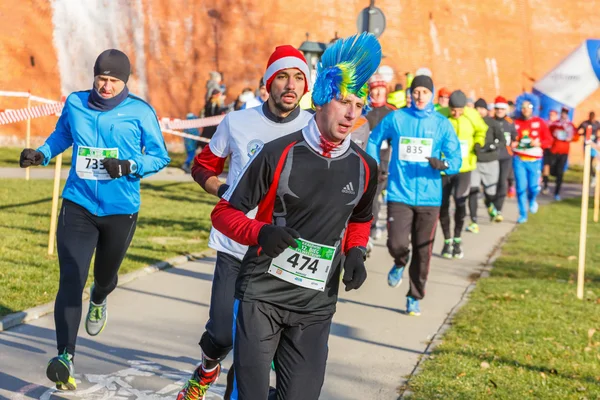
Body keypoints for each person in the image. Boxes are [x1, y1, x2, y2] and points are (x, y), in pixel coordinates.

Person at [209, 33, 380, 400]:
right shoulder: (278, 153)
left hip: (314, 306)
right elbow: (223, 214)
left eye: (359, 103)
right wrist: (260, 233)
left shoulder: (365, 167)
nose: (352, 113)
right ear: (320, 101)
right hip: (261, 297)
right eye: (342, 101)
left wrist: (356, 252)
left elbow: (361, 218)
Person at [18, 49, 170, 391]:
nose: (106, 85)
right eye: (101, 78)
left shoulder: (141, 112)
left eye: (114, 80)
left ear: (125, 81)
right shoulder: (75, 103)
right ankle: (64, 357)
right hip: (79, 204)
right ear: (94, 75)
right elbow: (63, 135)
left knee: (104, 277)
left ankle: (100, 298)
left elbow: (159, 155)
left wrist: (130, 166)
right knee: (71, 276)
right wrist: (41, 154)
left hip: (120, 209)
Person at [177, 45, 313, 400]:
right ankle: (207, 369)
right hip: (236, 245)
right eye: (282, 76)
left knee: (255, 349)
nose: (290, 85)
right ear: (268, 83)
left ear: (306, 86)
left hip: (280, 253)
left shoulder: (313, 127)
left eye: (298, 77)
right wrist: (225, 192)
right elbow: (203, 166)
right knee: (223, 333)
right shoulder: (237, 122)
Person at [368, 75, 462, 316]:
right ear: (411, 94)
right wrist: (375, 164)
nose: (420, 96)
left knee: (424, 252)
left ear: (431, 95)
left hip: (430, 198)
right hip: (400, 192)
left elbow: (456, 159)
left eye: (425, 92)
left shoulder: (441, 124)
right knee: (396, 243)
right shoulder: (397, 118)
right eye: (416, 91)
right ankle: (400, 261)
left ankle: (414, 296)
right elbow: (373, 139)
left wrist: (443, 165)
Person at [437, 90, 486, 258]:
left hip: (464, 168)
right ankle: (447, 240)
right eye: (453, 110)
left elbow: (482, 130)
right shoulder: (440, 115)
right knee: (443, 205)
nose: (456, 114)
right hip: (444, 167)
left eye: (459, 110)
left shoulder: (472, 115)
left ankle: (457, 239)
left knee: (460, 202)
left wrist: (479, 143)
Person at [365, 74, 396, 240]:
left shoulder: (392, 112)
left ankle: (381, 226)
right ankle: (370, 226)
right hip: (368, 160)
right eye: (374, 90)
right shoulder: (363, 110)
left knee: (383, 196)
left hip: (387, 161)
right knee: (371, 196)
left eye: (380, 90)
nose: (377, 93)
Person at [512, 93, 552, 224]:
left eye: (528, 107)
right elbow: (508, 139)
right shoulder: (515, 122)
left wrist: (538, 143)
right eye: (523, 107)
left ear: (533, 108)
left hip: (535, 161)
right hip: (519, 160)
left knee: (533, 187)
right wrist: (512, 143)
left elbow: (549, 140)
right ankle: (522, 214)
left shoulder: (539, 123)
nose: (525, 109)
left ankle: (532, 199)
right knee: (520, 188)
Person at [466, 98, 505, 233]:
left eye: (481, 108)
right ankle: (473, 221)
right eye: (476, 108)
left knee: (490, 193)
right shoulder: (470, 122)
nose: (479, 111)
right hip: (475, 162)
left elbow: (502, 140)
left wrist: (493, 146)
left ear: (486, 110)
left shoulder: (492, 123)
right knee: (473, 190)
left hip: (490, 161)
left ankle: (490, 205)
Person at [493, 96, 518, 220]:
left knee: (502, 182)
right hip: (492, 156)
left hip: (506, 156)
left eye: (501, 109)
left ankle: (498, 209)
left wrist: (515, 142)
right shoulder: (490, 121)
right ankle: (491, 204)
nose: (499, 111)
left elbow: (515, 136)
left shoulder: (509, 122)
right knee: (492, 182)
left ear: (505, 110)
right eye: (497, 108)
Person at [544, 107, 578, 200]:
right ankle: (546, 184)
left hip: (564, 151)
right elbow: (548, 135)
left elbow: (576, 137)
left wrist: (571, 138)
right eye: (562, 113)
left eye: (565, 113)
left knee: (560, 172)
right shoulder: (555, 124)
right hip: (554, 150)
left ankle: (557, 192)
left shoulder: (570, 125)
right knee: (551, 170)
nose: (564, 115)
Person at [577, 111, 600, 187]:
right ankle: (590, 177)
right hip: (586, 145)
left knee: (590, 161)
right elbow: (577, 130)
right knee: (587, 162)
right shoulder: (585, 123)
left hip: (594, 145)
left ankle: (593, 176)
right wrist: (582, 134)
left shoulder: (597, 124)